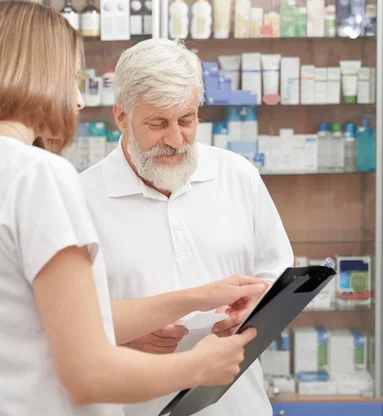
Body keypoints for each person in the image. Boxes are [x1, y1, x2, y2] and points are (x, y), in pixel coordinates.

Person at [0, 3, 266, 416]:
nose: (79, 101)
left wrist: (198, 296)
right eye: (72, 79)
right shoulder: (38, 175)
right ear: (36, 76)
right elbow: (89, 374)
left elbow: (53, 321)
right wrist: (200, 366)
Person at [80, 38, 294, 416]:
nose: (176, 140)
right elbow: (68, 325)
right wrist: (123, 341)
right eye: (158, 123)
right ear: (121, 117)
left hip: (238, 404)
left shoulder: (237, 175)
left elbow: (277, 275)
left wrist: (253, 313)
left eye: (187, 120)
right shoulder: (81, 198)